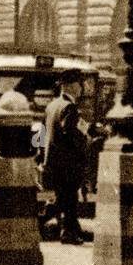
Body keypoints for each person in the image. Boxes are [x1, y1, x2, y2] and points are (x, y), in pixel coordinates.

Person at [42, 71, 87, 244]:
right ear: (71, 86)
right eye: (80, 84)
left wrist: (41, 155)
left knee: (63, 197)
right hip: (68, 162)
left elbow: (42, 132)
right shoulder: (70, 108)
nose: (82, 88)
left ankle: (71, 229)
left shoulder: (51, 106)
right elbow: (70, 132)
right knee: (69, 197)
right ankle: (68, 232)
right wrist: (83, 143)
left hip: (53, 161)